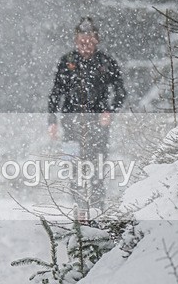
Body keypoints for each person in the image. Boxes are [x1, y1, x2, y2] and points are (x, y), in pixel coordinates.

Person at [47, 17, 126, 217]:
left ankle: (97, 212)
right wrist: (52, 121)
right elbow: (56, 93)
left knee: (97, 171)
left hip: (98, 125)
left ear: (96, 40)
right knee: (74, 171)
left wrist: (109, 111)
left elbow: (120, 91)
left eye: (89, 41)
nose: (86, 45)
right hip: (71, 125)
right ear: (76, 40)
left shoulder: (105, 63)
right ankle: (79, 214)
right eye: (82, 41)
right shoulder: (67, 62)